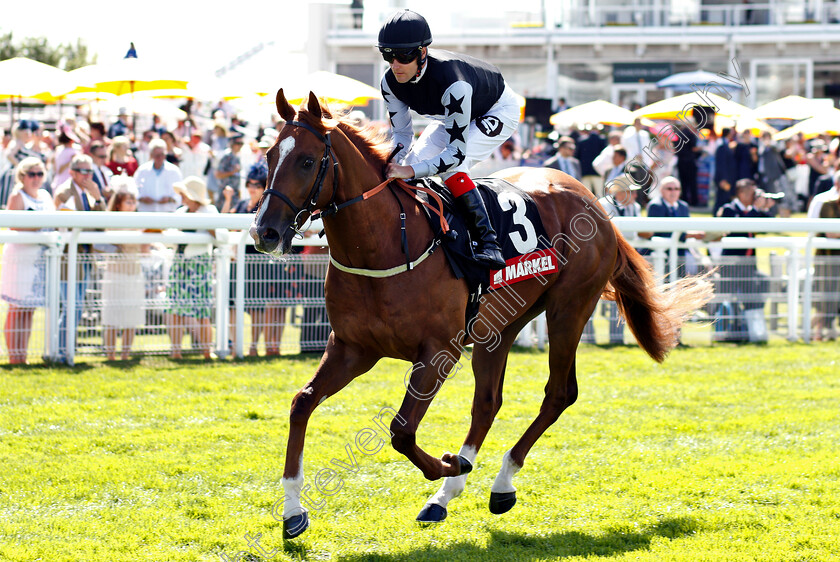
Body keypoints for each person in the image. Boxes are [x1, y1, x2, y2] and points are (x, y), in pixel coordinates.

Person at [378, 9, 521, 269]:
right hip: (451, 117)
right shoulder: (389, 82)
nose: (395, 64)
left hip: (497, 110)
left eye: (403, 55)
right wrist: (393, 165)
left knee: (453, 167)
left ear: (422, 53)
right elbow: (402, 135)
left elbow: (454, 155)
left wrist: (408, 169)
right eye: (388, 55)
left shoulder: (452, 82)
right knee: (411, 164)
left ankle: (489, 243)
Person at [223, 163, 285, 356]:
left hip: (257, 264)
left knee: (257, 307)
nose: (252, 188)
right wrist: (227, 199)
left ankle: (252, 347)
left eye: (256, 185)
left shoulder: (266, 208)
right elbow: (224, 224)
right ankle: (233, 345)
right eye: (249, 184)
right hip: (237, 262)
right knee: (233, 306)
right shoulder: (241, 204)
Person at [53, 154, 108, 362]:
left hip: (84, 257)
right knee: (71, 306)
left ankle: (65, 349)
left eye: (90, 171)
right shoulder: (64, 193)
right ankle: (60, 350)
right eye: (83, 171)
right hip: (68, 258)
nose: (88, 175)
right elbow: (76, 224)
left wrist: (99, 198)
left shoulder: (87, 193)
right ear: (72, 172)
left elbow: (101, 226)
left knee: (75, 307)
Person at [1, 158, 53, 364]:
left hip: (37, 259)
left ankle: (23, 354)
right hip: (19, 258)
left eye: (40, 174)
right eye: (32, 174)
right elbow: (14, 225)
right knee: (16, 308)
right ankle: (15, 356)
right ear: (22, 176)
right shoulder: (17, 196)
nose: (36, 178)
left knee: (29, 309)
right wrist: (40, 227)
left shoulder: (46, 196)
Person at [166, 176, 222, 359]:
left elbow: (222, 236)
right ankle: (176, 351)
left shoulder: (209, 211)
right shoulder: (180, 212)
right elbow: (169, 235)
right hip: (179, 264)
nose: (181, 197)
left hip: (199, 264)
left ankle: (207, 351)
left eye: (184, 194)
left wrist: (207, 225)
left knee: (202, 311)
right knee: (175, 309)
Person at [715, 178, 775, 342]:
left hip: (749, 265)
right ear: (741, 193)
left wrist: (765, 208)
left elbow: (770, 225)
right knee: (730, 298)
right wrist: (756, 208)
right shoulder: (729, 209)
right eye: (752, 193)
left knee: (755, 293)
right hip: (731, 264)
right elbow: (740, 227)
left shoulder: (753, 211)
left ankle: (749, 330)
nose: (755, 197)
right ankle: (728, 333)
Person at [101, 177, 148, 360]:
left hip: (134, 272)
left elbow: (144, 249)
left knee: (132, 316)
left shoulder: (139, 221)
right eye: (128, 201)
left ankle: (125, 354)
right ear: (118, 204)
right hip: (114, 273)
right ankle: (111, 354)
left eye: (133, 201)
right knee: (111, 316)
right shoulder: (112, 221)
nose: (132, 205)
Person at [646, 176, 705, 279]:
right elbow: (660, 231)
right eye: (669, 189)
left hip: (680, 252)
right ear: (661, 190)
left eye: (677, 189)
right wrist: (687, 235)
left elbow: (688, 227)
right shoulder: (655, 206)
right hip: (663, 253)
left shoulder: (683, 206)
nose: (673, 192)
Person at [813, 190, 840, 341]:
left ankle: (825, 331)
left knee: (835, 298)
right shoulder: (828, 205)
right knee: (825, 297)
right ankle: (816, 332)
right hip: (827, 259)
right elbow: (831, 233)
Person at [135, 139, 182, 212]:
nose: (160, 158)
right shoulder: (142, 170)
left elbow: (180, 193)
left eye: (162, 155)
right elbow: (135, 189)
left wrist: (169, 199)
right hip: (146, 212)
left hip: (167, 212)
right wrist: (142, 198)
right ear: (151, 155)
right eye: (157, 155)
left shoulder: (174, 171)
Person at [214, 134, 244, 211]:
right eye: (238, 144)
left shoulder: (237, 156)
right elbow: (218, 174)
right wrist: (232, 172)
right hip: (225, 194)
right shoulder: (226, 156)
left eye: (241, 144)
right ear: (232, 144)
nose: (240, 146)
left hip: (234, 194)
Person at [575, 126, 607, 198]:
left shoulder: (581, 141)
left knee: (586, 195)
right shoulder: (602, 140)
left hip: (584, 172)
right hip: (598, 172)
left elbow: (577, 157)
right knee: (600, 195)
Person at [713, 128, 738, 213]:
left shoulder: (725, 144)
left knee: (725, 199)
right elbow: (721, 164)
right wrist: (723, 179)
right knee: (721, 199)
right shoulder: (722, 146)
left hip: (726, 178)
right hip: (724, 179)